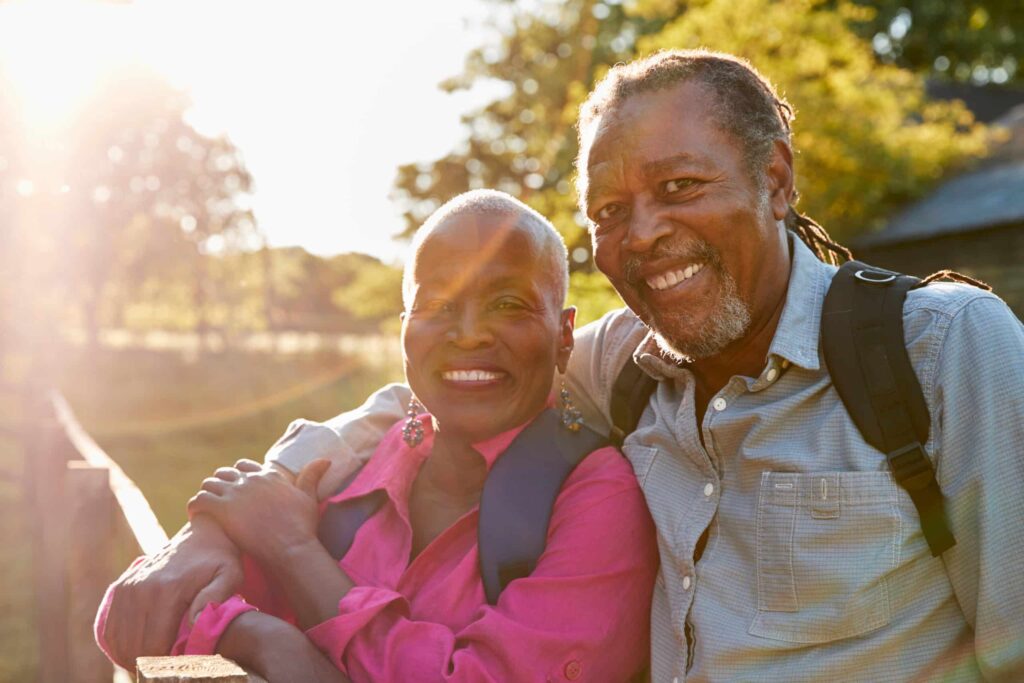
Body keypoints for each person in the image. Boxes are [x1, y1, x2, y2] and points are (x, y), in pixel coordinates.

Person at [101, 50, 1024, 681]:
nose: (647, 232)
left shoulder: (938, 349)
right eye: (611, 211)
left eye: (680, 188)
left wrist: (284, 562)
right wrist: (212, 533)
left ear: (777, 180)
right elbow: (423, 394)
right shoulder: (632, 358)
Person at [96, 190, 657, 681]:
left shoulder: (598, 497)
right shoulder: (357, 462)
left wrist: (293, 559)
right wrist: (257, 635)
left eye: (508, 304)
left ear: (563, 336)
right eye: (437, 305)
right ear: (404, 330)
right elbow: (128, 618)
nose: (467, 334)